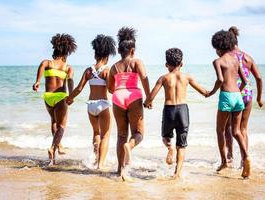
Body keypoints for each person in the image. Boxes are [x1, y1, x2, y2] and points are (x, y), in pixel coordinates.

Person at [144, 48, 208, 179]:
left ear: (166, 64)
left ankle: (169, 148)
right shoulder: (187, 77)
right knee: (182, 144)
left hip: (169, 110)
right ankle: (177, 173)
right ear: (182, 64)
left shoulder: (163, 78)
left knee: (166, 137)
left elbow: (151, 96)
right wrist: (214, 90)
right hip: (182, 111)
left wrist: (147, 103)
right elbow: (204, 92)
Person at [66, 34, 116, 169]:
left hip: (91, 106)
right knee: (106, 135)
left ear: (95, 55)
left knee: (96, 133)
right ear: (107, 56)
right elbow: (111, 90)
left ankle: (94, 160)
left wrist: (69, 98)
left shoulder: (88, 70)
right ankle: (101, 164)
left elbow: (79, 88)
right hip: (103, 105)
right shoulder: (107, 71)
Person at [107, 27, 150, 181]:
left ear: (120, 51)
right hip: (134, 96)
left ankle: (120, 171)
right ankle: (130, 146)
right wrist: (149, 97)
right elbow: (144, 78)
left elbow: (110, 88)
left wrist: (119, 92)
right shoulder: (137, 62)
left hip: (118, 96)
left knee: (121, 135)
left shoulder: (114, 67)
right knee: (138, 134)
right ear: (132, 50)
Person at [207, 30, 251, 178]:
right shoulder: (236, 60)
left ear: (218, 47)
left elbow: (220, 80)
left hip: (226, 96)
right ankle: (246, 158)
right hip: (238, 96)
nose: (216, 52)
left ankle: (224, 161)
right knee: (237, 131)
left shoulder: (218, 61)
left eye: (216, 49)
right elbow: (245, 81)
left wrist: (211, 92)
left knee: (220, 130)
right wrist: (237, 92)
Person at [32, 33, 77, 165]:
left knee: (53, 121)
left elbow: (41, 68)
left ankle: (57, 148)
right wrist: (71, 95)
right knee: (62, 125)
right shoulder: (68, 67)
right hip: (60, 97)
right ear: (66, 53)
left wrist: (37, 82)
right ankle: (53, 147)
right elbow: (70, 82)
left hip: (48, 97)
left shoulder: (47, 62)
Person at [224, 27, 263, 166]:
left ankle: (229, 156)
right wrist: (259, 98)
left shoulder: (227, 57)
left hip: (233, 92)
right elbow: (258, 78)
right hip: (247, 94)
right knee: (243, 129)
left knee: (229, 127)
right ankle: (244, 159)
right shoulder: (248, 57)